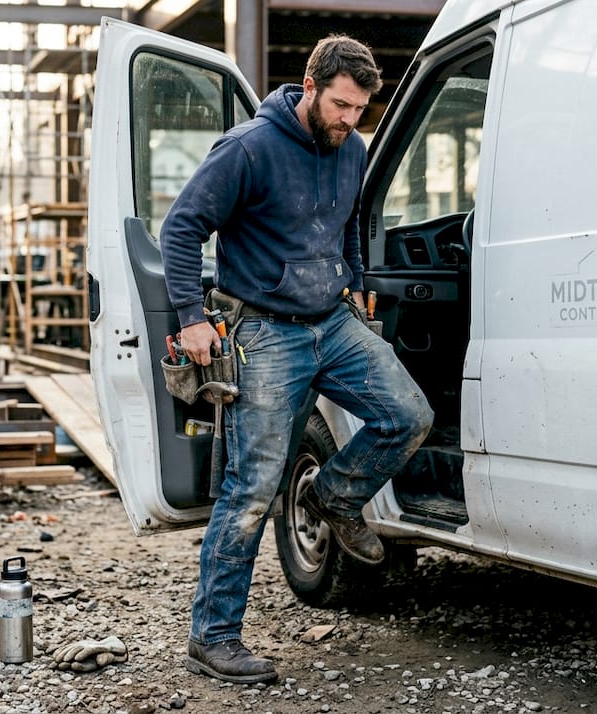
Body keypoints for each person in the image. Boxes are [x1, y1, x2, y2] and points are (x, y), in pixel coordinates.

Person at [161, 35, 434, 684]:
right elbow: (181, 227)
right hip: (266, 334)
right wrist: (191, 318)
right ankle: (214, 638)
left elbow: (347, 220)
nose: (351, 120)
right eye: (341, 105)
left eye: (361, 110)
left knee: (408, 414)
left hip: (333, 320)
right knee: (252, 488)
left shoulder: (353, 148)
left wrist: (358, 279)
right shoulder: (248, 148)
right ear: (309, 88)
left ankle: (335, 496)